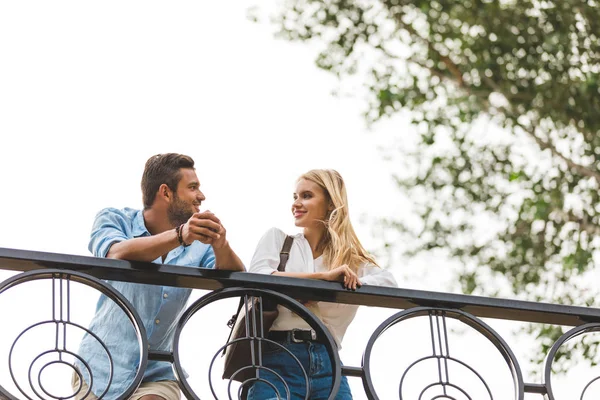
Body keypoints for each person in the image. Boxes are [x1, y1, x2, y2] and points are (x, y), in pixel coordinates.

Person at [74, 153, 245, 400]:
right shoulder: (114, 218)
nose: (202, 196)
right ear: (166, 193)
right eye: (193, 187)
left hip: (156, 372)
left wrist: (220, 244)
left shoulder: (198, 244)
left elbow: (237, 280)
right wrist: (180, 235)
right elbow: (116, 252)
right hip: (99, 367)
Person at [246, 169, 397, 400]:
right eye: (295, 197)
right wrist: (322, 280)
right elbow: (259, 276)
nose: (296, 203)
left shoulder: (351, 260)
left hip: (328, 361)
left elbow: (388, 285)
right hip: (278, 356)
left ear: (330, 204)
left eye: (306, 196)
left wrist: (338, 286)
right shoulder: (278, 240)